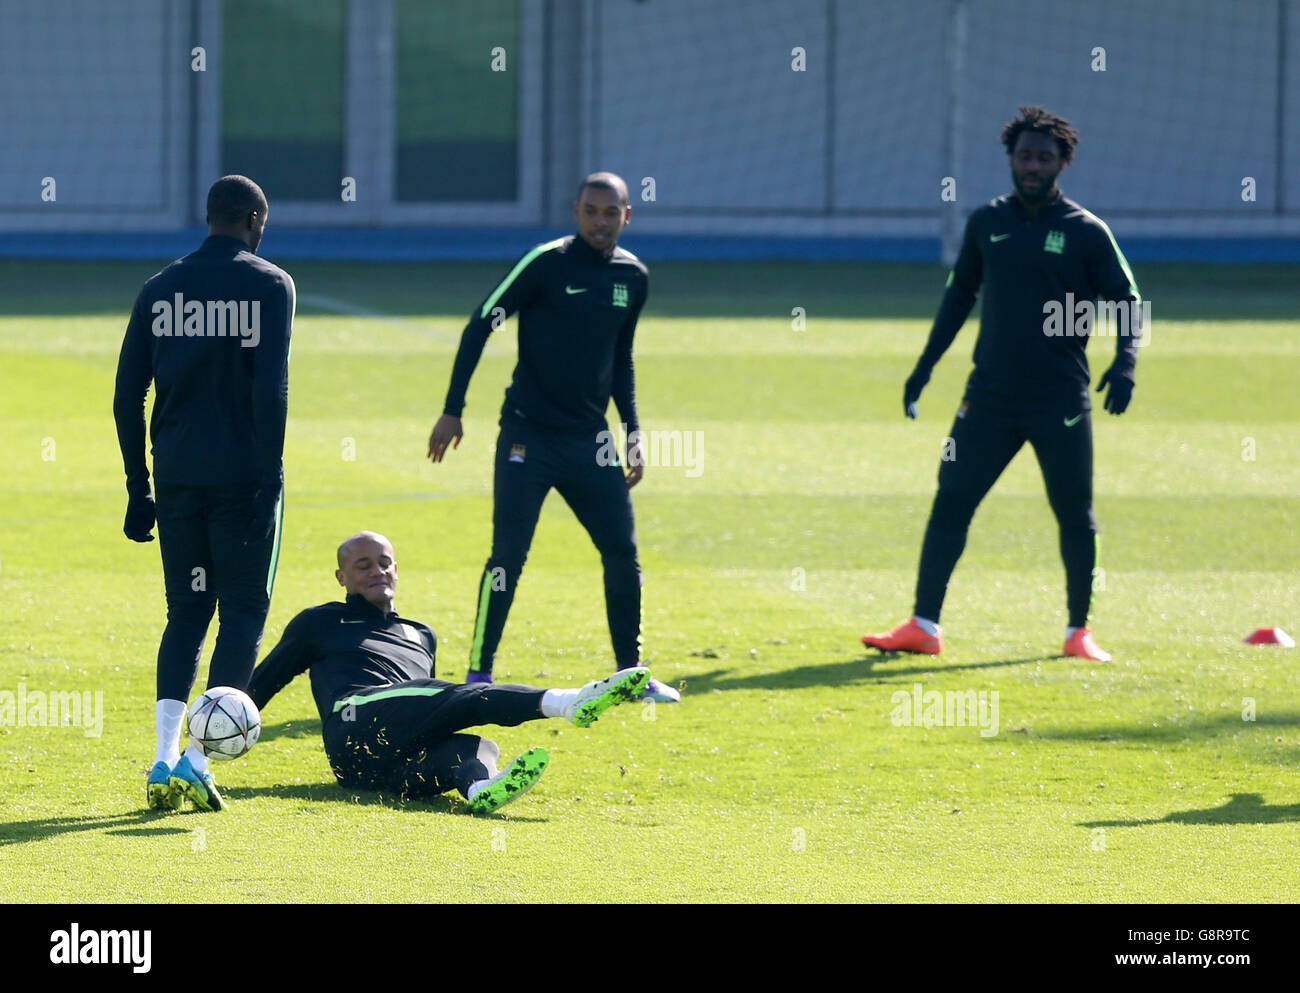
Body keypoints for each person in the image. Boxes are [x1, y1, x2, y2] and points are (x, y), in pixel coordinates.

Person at [862, 106, 1142, 662]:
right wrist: (925, 365)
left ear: (1063, 161)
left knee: (1073, 510)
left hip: (1060, 397)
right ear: (1010, 160)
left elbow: (1128, 301)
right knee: (952, 501)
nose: (1032, 165)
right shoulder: (987, 222)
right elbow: (958, 296)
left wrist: (1126, 361)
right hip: (987, 397)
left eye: (1043, 156)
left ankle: (1077, 632)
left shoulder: (1085, 232)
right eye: (1023, 156)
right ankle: (923, 625)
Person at [427, 171, 679, 703]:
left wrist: (633, 432)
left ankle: (630, 672)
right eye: (591, 211)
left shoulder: (633, 277)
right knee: (508, 557)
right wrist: (453, 410)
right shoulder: (545, 263)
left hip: (592, 440)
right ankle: (478, 675)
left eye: (611, 213)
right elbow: (481, 323)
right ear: (576, 212)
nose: (600, 221)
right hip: (528, 438)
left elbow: (621, 359)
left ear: (627, 217)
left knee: (621, 552)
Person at [113, 175, 295, 811]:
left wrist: (140, 490)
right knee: (243, 610)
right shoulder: (271, 285)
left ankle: (163, 758)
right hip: (244, 482)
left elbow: (125, 396)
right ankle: (197, 758)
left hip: (179, 479)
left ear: (208, 216)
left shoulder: (158, 290)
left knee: (188, 612)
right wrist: (269, 475)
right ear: (252, 218)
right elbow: (269, 389)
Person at [247, 532, 650, 815]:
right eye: (362, 565)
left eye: (384, 563)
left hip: (377, 770)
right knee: (457, 697)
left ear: (397, 570)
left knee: (475, 745)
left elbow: (428, 711)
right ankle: (567, 701)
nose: (376, 571)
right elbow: (260, 685)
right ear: (342, 578)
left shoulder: (422, 634)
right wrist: (212, 737)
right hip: (354, 724)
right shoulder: (318, 622)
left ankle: (479, 787)